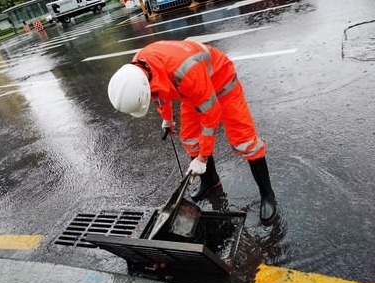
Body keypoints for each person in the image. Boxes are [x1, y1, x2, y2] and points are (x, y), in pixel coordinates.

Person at [107, 40, 277, 225]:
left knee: (244, 140)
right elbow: (158, 93)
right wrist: (168, 119)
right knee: (189, 138)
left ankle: (267, 194)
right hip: (191, 90)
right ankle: (210, 182)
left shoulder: (184, 72)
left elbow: (211, 115)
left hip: (220, 82)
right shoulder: (139, 68)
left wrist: (202, 159)